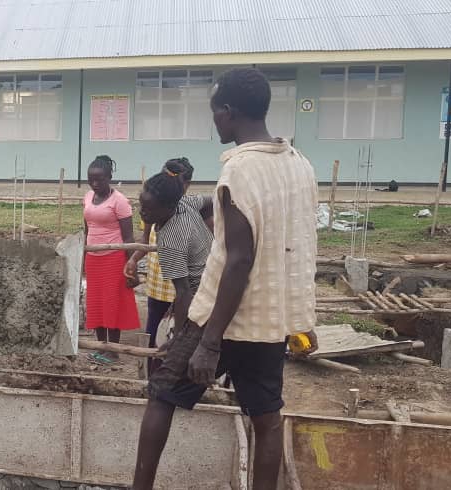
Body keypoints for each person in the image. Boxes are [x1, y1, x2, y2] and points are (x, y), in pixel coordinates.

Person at [132, 67, 319, 490]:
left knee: (162, 394)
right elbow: (302, 244)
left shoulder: (239, 172)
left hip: (220, 318)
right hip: (269, 321)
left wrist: (210, 342)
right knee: (267, 419)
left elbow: (238, 261)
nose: (215, 119)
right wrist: (301, 318)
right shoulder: (299, 165)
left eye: (216, 111)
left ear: (228, 113)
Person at [134, 170, 213, 360]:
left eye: (149, 208)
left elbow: (184, 291)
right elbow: (213, 200)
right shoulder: (186, 203)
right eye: (141, 205)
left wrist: (178, 338)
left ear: (168, 206)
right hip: (211, 282)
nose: (142, 212)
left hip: (200, 300)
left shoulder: (170, 241)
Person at [125, 158, 201, 352]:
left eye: (177, 180)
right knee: (153, 332)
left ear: (187, 184)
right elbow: (146, 239)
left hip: (184, 287)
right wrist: (133, 260)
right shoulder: (154, 206)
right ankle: (151, 373)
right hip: (158, 283)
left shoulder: (193, 212)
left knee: (180, 333)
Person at [82, 155, 140, 358]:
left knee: (112, 302)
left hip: (114, 258)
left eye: (100, 179)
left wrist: (131, 265)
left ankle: (113, 351)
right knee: (96, 302)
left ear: (109, 177)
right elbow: (87, 228)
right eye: (91, 180)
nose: (95, 184)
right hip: (93, 258)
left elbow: (129, 236)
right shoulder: (88, 197)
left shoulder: (120, 201)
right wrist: (83, 257)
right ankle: (100, 347)